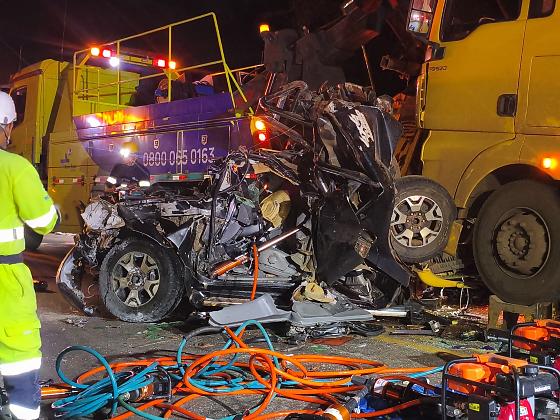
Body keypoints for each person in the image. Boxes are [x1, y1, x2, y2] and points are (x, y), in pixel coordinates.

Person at [0, 91, 58, 419]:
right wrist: (54, 213)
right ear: (7, 125)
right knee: (19, 356)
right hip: (5, 279)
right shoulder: (14, 167)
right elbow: (43, 221)